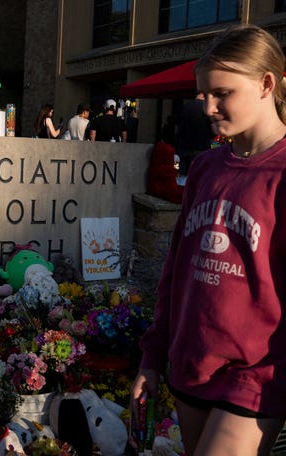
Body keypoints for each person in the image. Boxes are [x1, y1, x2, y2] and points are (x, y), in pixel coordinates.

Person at [131, 24, 286, 456]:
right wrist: (152, 356)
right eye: (204, 95)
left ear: (266, 84)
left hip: (256, 377)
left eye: (222, 93)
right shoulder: (205, 168)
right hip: (192, 365)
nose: (209, 106)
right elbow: (175, 270)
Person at [176, 92, 214, 175]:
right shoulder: (206, 108)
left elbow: (177, 125)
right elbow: (212, 130)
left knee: (183, 175)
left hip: (183, 148)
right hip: (201, 148)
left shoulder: (184, 106)